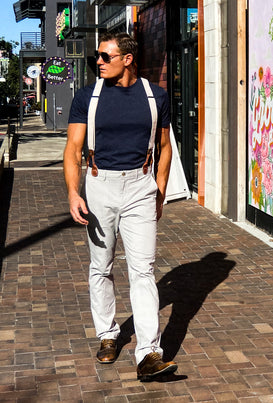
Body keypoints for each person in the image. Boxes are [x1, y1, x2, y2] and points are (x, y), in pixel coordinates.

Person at [63, 32, 176, 381]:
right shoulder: (88, 97)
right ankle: (108, 334)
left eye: (104, 56)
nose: (98, 61)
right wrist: (73, 192)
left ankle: (148, 353)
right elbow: (72, 148)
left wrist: (158, 192)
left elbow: (165, 147)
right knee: (101, 265)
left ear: (127, 59)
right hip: (100, 184)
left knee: (143, 270)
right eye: (98, 56)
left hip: (140, 185)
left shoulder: (155, 96)